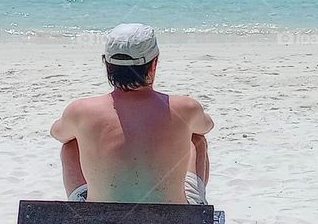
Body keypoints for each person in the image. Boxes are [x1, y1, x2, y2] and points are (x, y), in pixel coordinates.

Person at [50, 23, 213, 204]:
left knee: (71, 143)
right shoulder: (186, 108)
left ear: (107, 64)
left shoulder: (80, 110)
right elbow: (207, 126)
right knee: (197, 139)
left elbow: (56, 133)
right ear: (154, 64)